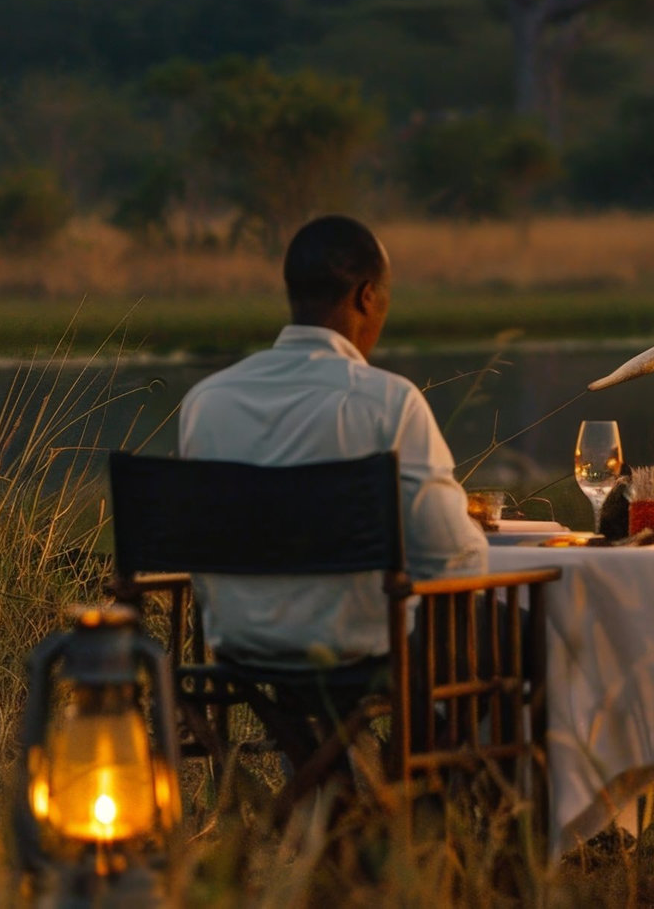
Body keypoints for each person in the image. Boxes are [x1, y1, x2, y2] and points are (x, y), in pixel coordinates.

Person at [178, 214, 488, 670]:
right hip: (361, 650)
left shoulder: (206, 401)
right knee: (528, 629)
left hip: (239, 646)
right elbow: (453, 559)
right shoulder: (389, 402)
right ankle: (442, 724)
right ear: (367, 296)